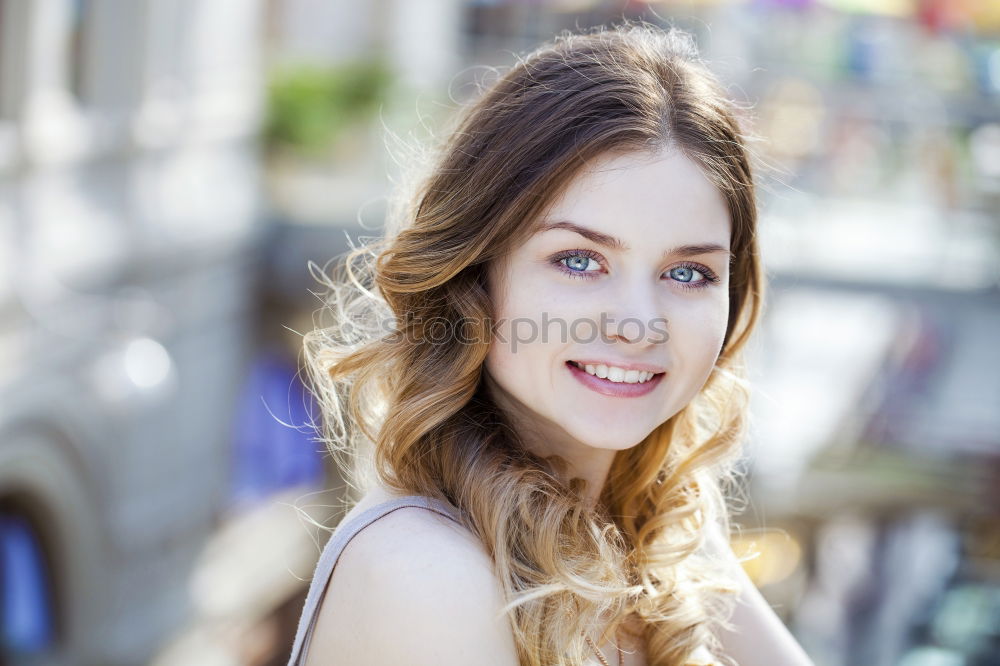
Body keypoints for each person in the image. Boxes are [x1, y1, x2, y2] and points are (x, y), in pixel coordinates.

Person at [287, 19, 816, 666]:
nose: (637, 323)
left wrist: (674, 523)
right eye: (578, 260)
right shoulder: (426, 572)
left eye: (687, 272)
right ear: (476, 275)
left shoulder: (661, 544)